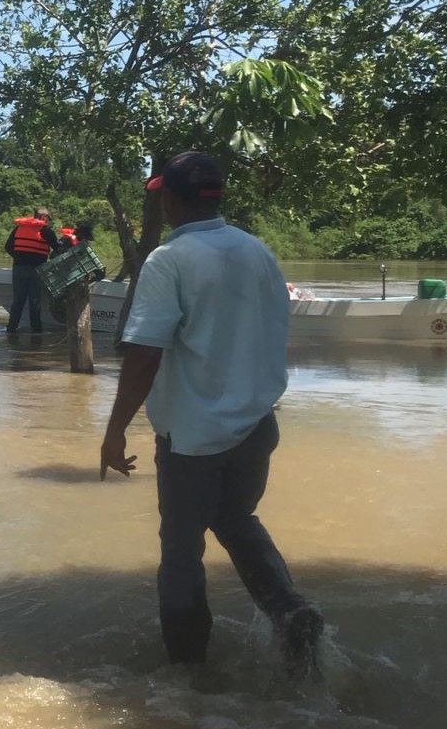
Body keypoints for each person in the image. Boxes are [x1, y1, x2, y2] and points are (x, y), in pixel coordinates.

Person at [99, 152, 323, 677]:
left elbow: (145, 353)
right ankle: (290, 612)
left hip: (193, 439)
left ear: (172, 199)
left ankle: (187, 670)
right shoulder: (256, 250)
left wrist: (113, 432)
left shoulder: (167, 260)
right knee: (236, 519)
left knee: (181, 550)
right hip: (256, 425)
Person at [4, 207, 60, 333]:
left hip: (19, 268)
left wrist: (19, 257)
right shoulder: (47, 231)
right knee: (34, 302)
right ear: (44, 218)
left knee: (18, 301)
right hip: (37, 270)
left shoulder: (19, 228)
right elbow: (57, 249)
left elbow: (8, 247)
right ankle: (36, 333)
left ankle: (11, 330)